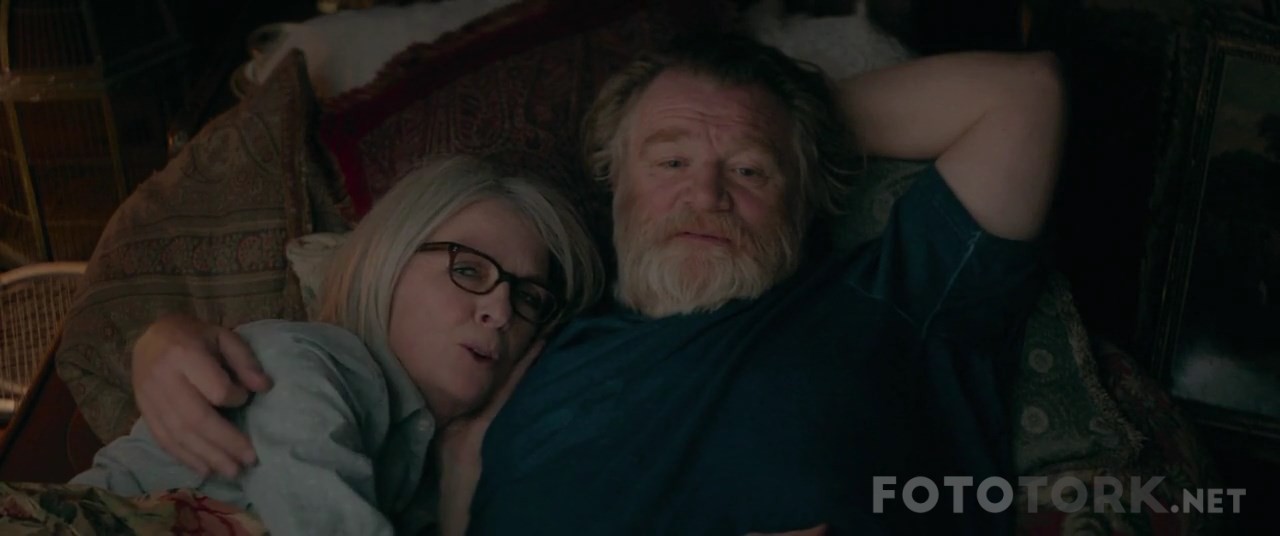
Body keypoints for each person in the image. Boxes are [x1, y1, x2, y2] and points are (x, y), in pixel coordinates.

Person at [129, 33, 1063, 534]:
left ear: (805, 191)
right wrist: (161, 342)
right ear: (613, 177)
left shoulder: (885, 298)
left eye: (749, 172)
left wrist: (789, 126)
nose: (706, 193)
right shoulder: (527, 341)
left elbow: (1024, 96)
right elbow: (312, 392)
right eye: (669, 160)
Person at [69, 156, 604, 535]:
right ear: (389, 262)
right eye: (467, 269)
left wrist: (460, 487)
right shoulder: (307, 362)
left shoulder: (428, 464)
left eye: (528, 296)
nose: (501, 311)